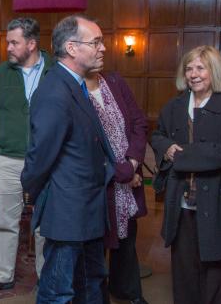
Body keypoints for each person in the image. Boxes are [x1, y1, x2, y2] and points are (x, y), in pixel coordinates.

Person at [21, 15, 115, 304]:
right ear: (72, 48)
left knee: (90, 284)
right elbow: (40, 156)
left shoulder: (74, 84)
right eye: (96, 42)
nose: (103, 48)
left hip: (86, 207)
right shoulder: (55, 91)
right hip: (68, 210)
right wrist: (31, 190)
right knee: (57, 291)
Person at [0, 17, 53, 296]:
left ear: (31, 44)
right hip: (5, 160)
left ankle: (47, 278)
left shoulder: (56, 71)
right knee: (4, 221)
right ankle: (2, 275)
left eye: (14, 42)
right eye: (7, 41)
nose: (7, 47)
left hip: (47, 163)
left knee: (46, 224)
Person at [151, 45, 221, 304]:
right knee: (183, 269)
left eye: (200, 68)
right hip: (181, 201)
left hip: (218, 202)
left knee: (215, 270)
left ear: (214, 71)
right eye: (188, 68)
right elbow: (158, 134)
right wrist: (166, 148)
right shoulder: (175, 105)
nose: (193, 74)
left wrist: (182, 156)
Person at [84, 69, 149, 304]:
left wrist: (132, 163)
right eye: (95, 43)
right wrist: (122, 173)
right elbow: (84, 146)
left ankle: (127, 290)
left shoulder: (114, 81)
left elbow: (139, 123)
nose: (101, 48)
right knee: (96, 245)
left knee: (127, 239)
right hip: (98, 183)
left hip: (127, 178)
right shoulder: (72, 90)